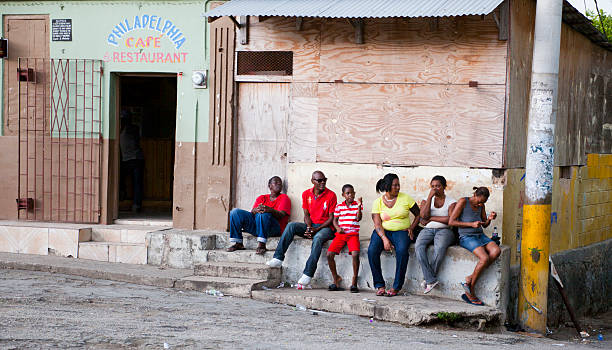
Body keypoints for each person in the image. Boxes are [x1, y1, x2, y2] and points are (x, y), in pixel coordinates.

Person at [267, 171, 337, 287]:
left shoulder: (331, 195)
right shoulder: (306, 194)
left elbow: (331, 218)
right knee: (291, 226)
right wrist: (309, 228)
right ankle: (278, 258)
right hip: (312, 225)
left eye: (324, 179)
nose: (323, 182)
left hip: (326, 228)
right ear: (312, 181)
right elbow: (306, 215)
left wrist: (317, 229)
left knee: (318, 238)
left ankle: (308, 274)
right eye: (319, 180)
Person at [368, 173, 421, 297]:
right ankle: (379, 285)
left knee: (402, 251)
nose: (398, 187)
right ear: (387, 186)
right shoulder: (378, 202)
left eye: (398, 185)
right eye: (395, 185)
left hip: (401, 232)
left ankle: (396, 286)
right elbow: (377, 224)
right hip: (382, 232)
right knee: (371, 251)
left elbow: (418, 215)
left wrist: (412, 228)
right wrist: (384, 239)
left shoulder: (406, 198)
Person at [449, 186, 501, 306]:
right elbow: (451, 222)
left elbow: (485, 225)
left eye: (483, 202)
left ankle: (469, 279)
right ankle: (471, 291)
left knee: (496, 251)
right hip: (466, 237)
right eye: (479, 201)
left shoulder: (481, 206)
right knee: (484, 258)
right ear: (475, 195)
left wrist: (490, 219)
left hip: (480, 235)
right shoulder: (463, 201)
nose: (480, 204)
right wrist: (471, 224)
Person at [226, 176, 291, 255]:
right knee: (235, 212)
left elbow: (281, 215)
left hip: (274, 228)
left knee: (263, 214)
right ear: (270, 185)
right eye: (276, 182)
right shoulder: (262, 198)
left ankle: (262, 244)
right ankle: (238, 243)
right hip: (258, 227)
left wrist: (269, 210)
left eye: (280, 184)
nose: (278, 184)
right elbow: (252, 212)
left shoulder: (284, 198)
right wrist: (256, 210)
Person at [415, 175, 457, 294]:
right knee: (419, 247)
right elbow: (423, 216)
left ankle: (428, 279)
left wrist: (431, 218)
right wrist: (429, 198)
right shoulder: (425, 200)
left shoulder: (451, 201)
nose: (435, 189)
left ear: (444, 187)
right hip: (428, 230)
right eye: (433, 186)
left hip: (445, 230)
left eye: (438, 186)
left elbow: (450, 220)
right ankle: (431, 279)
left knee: (439, 248)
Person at [327, 184, 362, 293]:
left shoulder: (357, 205)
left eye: (352, 193)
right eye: (348, 193)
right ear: (343, 195)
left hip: (353, 234)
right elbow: (334, 220)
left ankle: (354, 281)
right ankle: (336, 278)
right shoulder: (339, 206)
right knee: (329, 255)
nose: (350, 195)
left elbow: (358, 218)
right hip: (341, 234)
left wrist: (360, 206)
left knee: (355, 254)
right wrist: (337, 228)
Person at [119, 111, 144, 213]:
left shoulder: (119, 130)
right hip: (136, 158)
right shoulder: (134, 128)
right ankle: (136, 205)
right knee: (137, 184)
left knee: (122, 180)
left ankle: (121, 197)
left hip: (126, 159)